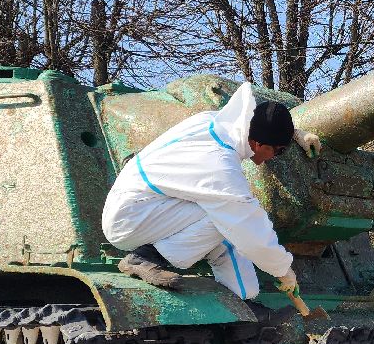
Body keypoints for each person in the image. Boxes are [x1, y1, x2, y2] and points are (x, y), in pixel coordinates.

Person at [101, 83, 321, 300]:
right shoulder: (220, 163)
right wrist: (283, 270)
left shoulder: (215, 123)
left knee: (229, 237)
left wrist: (293, 134)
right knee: (227, 220)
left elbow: (256, 120)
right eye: (279, 151)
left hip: (156, 205)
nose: (275, 157)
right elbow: (250, 228)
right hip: (130, 218)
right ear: (258, 144)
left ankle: (242, 303)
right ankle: (143, 258)